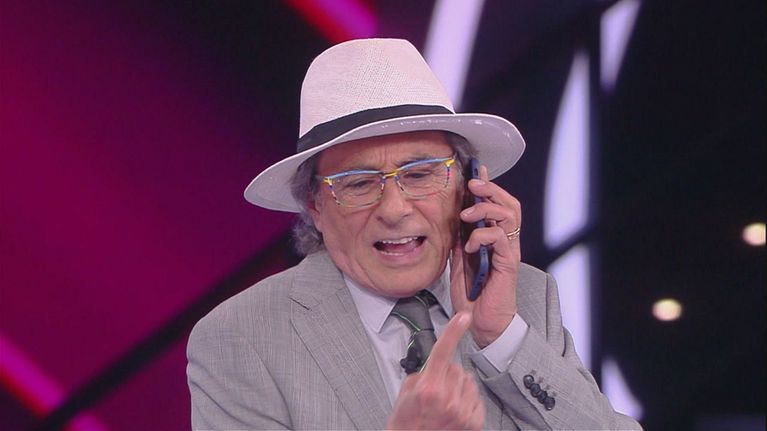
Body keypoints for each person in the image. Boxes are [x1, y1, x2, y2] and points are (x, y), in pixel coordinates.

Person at [186, 38, 642, 430]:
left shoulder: (526, 297)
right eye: (359, 184)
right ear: (316, 208)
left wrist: (503, 337)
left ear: (468, 185)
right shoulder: (241, 337)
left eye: (421, 174)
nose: (395, 209)